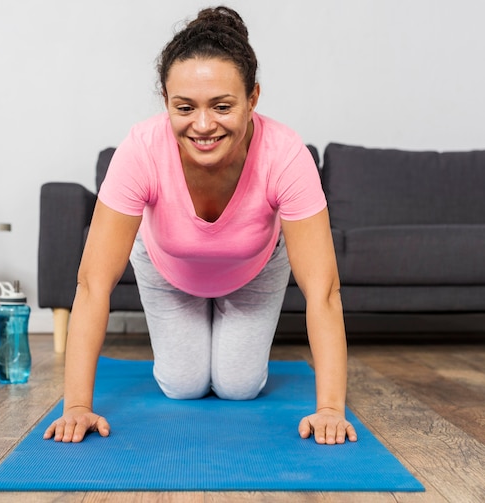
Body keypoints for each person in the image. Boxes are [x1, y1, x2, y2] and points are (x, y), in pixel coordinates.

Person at [44, 6, 357, 445]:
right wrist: (76, 405)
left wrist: (329, 410)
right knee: (183, 386)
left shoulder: (285, 154)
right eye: (185, 107)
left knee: (239, 388)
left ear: (252, 99)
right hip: (168, 267)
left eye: (223, 106)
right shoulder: (140, 150)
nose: (204, 125)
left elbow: (323, 289)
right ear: (166, 102)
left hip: (254, 267)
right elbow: (93, 283)